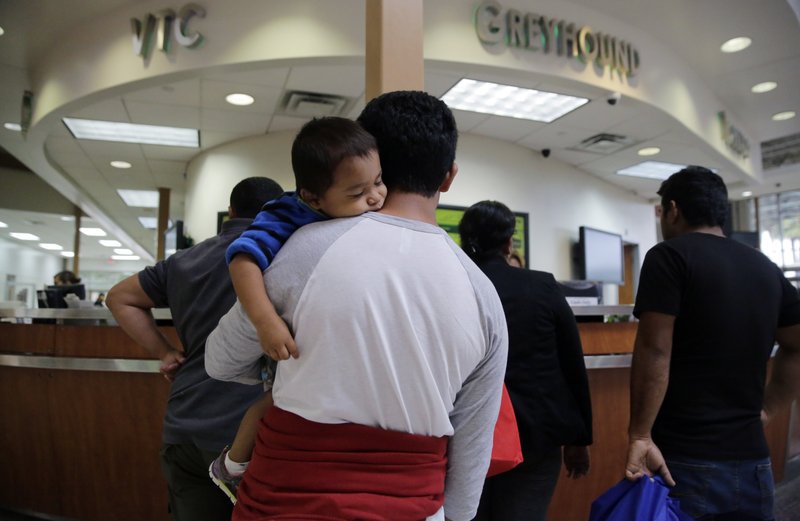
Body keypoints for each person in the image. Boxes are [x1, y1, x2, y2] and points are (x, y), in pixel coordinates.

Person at [205, 90, 509, 521]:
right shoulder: (483, 295)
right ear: (449, 176)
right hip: (410, 506)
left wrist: (284, 368)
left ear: (372, 155)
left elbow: (220, 362)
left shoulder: (302, 251)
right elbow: (471, 452)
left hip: (285, 500)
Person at [208, 116, 386, 500]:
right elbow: (242, 260)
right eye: (357, 193)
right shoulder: (287, 214)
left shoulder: (365, 216)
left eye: (378, 182)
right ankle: (231, 469)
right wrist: (266, 322)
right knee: (270, 405)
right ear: (313, 197)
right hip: (280, 338)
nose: (374, 198)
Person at [624, 165, 800, 521]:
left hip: (687, 459)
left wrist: (640, 434)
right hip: (754, 461)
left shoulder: (669, 256)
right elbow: (797, 344)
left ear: (673, 209)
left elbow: (655, 350)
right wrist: (769, 407)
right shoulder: (765, 267)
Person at [105, 176, 284, 521]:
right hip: (247, 435)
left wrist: (165, 351)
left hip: (185, 425)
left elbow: (119, 297)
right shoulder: (282, 255)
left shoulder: (183, 261)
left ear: (230, 211)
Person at [459, 200, 592, 521]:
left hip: (466, 436)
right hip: (535, 436)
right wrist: (579, 439)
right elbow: (572, 363)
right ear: (509, 243)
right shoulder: (541, 286)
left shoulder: (453, 283)